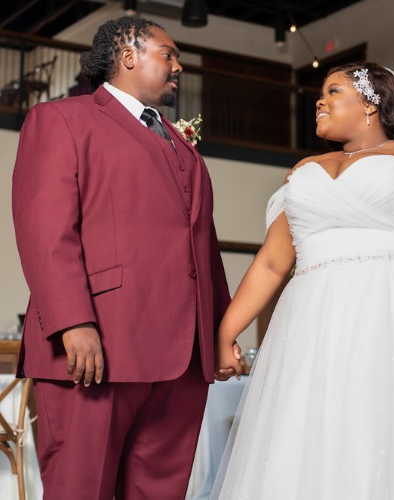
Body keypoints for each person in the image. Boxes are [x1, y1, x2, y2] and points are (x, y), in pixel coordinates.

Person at [211, 62, 394, 499]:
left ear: (370, 104)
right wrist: (226, 330)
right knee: (315, 432)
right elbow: (271, 263)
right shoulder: (303, 170)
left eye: (333, 92)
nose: (320, 101)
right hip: (317, 324)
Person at [12, 16, 239, 500]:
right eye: (169, 54)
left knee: (160, 492)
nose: (178, 66)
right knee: (81, 489)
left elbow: (204, 249)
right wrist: (74, 322)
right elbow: (45, 232)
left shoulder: (184, 147)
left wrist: (220, 332)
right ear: (129, 55)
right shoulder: (60, 120)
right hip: (97, 350)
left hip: (182, 361)